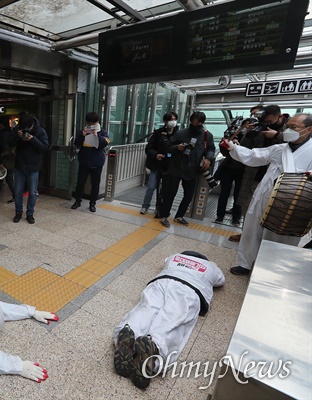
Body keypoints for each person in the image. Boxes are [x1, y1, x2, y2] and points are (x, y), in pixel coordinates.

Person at [113, 251, 225, 389]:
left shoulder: (174, 257)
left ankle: (130, 331)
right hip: (189, 289)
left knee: (146, 309)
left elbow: (165, 260)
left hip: (161, 282)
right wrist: (212, 265)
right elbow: (221, 280)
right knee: (171, 319)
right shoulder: (210, 267)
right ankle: (155, 348)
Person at [223, 113, 312, 276]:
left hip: (293, 202)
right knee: (252, 229)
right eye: (288, 126)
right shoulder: (280, 149)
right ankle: (246, 263)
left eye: (294, 127)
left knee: (282, 237)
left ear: (309, 129)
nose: (288, 130)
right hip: (265, 195)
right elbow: (253, 156)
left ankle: (272, 269)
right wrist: (233, 148)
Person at [229, 104, 286, 242]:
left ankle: (262, 239)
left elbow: (295, 146)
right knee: (246, 206)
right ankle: (246, 235)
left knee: (267, 210)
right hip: (253, 174)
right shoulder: (259, 126)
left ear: (280, 117)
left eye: (270, 121)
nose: (267, 123)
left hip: (275, 179)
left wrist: (277, 135)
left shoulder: (288, 130)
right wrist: (248, 134)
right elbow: (246, 149)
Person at [158, 112, 215, 228]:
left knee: (189, 195)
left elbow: (211, 149)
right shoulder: (181, 133)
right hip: (176, 168)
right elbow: (167, 147)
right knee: (170, 194)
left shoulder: (207, 136)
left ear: (202, 122)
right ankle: (164, 216)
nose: (195, 124)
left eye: (197, 123)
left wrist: (208, 158)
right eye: (193, 122)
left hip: (192, 170)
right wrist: (177, 148)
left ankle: (179, 215)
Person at [8, 113, 49, 224]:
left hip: (33, 167)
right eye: (23, 127)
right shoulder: (18, 129)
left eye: (28, 127)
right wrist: (17, 135)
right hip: (20, 166)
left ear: (32, 124)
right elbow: (8, 143)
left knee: (32, 192)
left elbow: (45, 148)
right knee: (17, 192)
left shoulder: (40, 131)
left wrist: (33, 139)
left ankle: (30, 214)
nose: (26, 129)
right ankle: (18, 213)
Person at [139, 112, 178, 216]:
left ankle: (159, 208)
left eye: (174, 119)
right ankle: (145, 206)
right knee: (151, 186)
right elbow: (149, 148)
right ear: (165, 121)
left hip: (170, 166)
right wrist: (156, 155)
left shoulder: (178, 134)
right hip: (157, 165)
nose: (173, 122)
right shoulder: (158, 133)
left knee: (163, 190)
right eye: (171, 119)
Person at [70, 112, 110, 213]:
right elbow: (77, 143)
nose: (91, 125)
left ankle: (92, 204)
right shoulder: (83, 131)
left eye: (93, 122)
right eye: (89, 123)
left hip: (97, 163)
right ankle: (77, 201)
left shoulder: (102, 132)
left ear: (97, 122)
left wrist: (96, 135)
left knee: (95, 184)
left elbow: (104, 143)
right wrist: (83, 135)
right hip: (84, 162)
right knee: (80, 183)